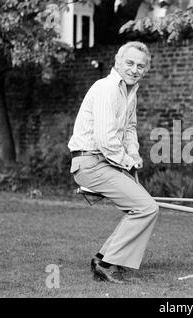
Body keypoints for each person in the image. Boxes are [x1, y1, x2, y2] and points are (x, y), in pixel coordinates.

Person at [68, 41, 159, 284]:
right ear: (117, 62)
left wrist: (135, 155)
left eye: (140, 66)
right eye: (129, 63)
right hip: (90, 162)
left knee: (140, 207)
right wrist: (126, 162)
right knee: (146, 208)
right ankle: (106, 265)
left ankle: (101, 258)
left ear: (145, 69)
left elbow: (129, 129)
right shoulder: (106, 88)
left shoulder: (130, 92)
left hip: (105, 162)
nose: (134, 69)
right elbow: (106, 139)